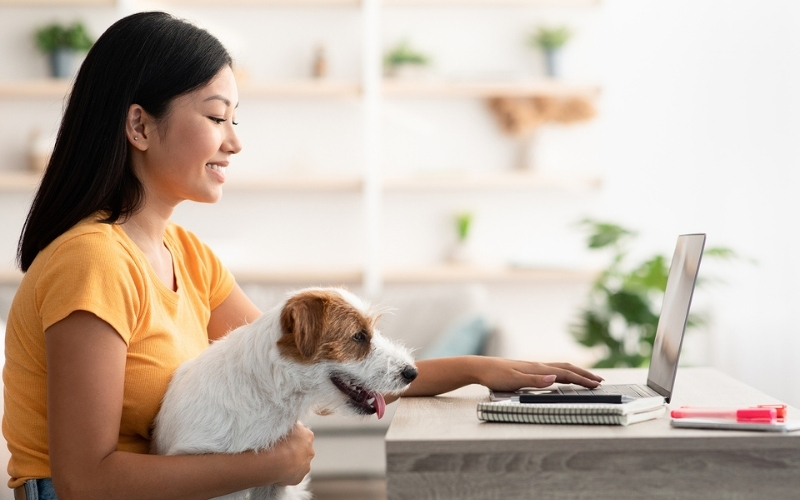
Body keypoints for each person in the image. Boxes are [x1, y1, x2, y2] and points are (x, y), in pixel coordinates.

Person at [2, 11, 602, 500]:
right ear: (139, 125)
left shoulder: (188, 255)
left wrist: (475, 370)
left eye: (236, 119)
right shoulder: (94, 262)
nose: (235, 141)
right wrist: (270, 464)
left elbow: (309, 362)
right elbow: (86, 481)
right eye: (216, 117)